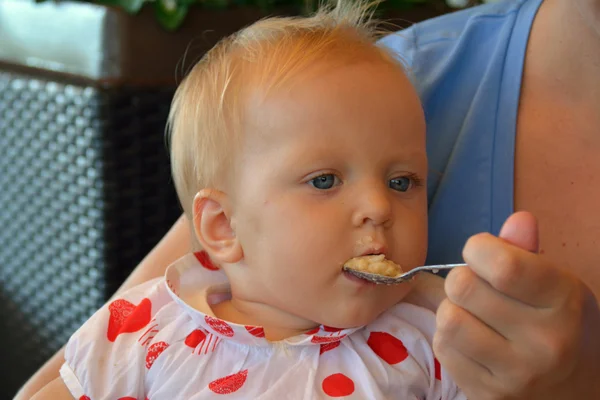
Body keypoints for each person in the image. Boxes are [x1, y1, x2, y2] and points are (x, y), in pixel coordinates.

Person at [17, 0, 600, 398]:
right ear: (222, 226)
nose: (379, 207)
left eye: (403, 182)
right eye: (324, 181)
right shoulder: (143, 329)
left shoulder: (436, 344)